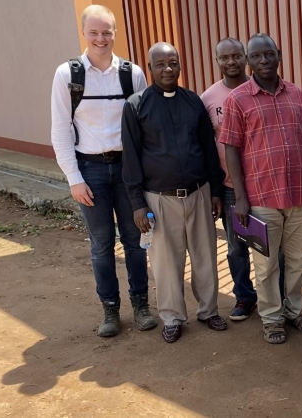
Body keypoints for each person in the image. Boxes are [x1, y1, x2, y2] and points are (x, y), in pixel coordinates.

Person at [50, 5, 155, 338]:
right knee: (101, 245)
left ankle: (141, 305)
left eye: (106, 31)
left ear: (114, 33)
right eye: (94, 32)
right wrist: (74, 178)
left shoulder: (132, 74)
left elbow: (142, 128)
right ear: (84, 33)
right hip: (90, 170)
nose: (101, 38)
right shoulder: (68, 75)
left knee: (136, 240)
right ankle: (110, 309)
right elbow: (60, 128)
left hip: (127, 171)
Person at [121, 42, 228, 343]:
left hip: (199, 192)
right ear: (150, 67)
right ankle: (172, 317)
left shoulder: (193, 102)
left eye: (173, 62)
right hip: (159, 197)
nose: (168, 69)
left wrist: (216, 191)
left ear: (180, 65)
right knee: (167, 262)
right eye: (161, 64)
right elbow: (129, 159)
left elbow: (209, 150)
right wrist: (137, 204)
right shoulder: (135, 105)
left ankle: (208, 311)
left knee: (205, 255)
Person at [221, 34, 302, 345]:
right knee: (265, 266)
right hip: (261, 198)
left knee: (297, 259)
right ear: (248, 62)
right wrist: (240, 197)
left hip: (299, 194)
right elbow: (231, 149)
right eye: (256, 56)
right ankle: (272, 318)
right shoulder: (237, 100)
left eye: (269, 54)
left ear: (279, 55)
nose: (264, 60)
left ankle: (294, 311)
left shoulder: (296, 93)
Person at [201, 37, 282, 322]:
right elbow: (208, 149)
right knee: (237, 246)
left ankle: (277, 297)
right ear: (217, 61)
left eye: (237, 56)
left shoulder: (262, 88)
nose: (232, 62)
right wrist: (214, 189)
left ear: (245, 59)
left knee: (273, 245)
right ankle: (245, 297)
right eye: (225, 58)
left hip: (266, 184)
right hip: (230, 188)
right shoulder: (208, 98)